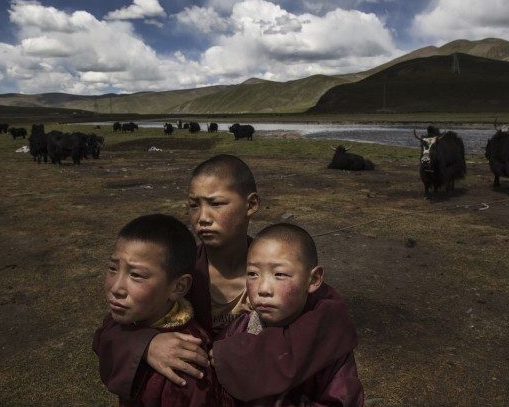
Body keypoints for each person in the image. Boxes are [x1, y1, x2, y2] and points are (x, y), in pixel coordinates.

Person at [94, 154, 358, 401]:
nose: (202, 218)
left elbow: (330, 326)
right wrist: (146, 344)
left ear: (251, 204)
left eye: (216, 203)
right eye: (193, 205)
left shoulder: (283, 275)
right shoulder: (179, 275)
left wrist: (229, 358)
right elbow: (111, 327)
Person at [213, 223, 364, 405]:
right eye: (253, 274)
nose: (263, 289)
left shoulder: (328, 340)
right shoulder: (238, 329)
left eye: (280, 274)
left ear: (314, 279)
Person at [92, 214, 230, 406]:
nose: (116, 288)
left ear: (179, 287)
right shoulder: (133, 318)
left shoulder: (184, 362)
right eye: (112, 268)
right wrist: (145, 344)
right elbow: (103, 336)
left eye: (136, 275)